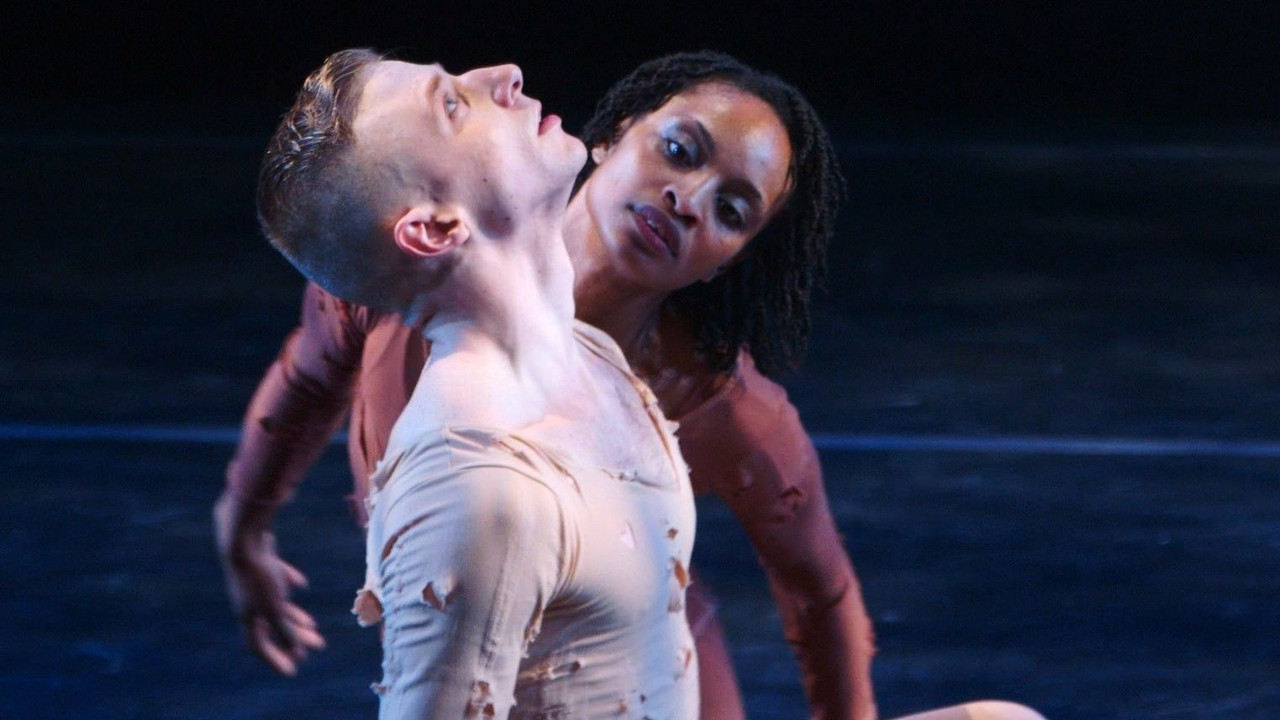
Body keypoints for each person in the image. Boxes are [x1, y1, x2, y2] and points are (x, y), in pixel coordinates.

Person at [216, 50, 1045, 720]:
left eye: (732, 210)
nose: (686, 199)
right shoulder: (411, 312)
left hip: (637, 649)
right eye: (679, 151)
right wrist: (244, 526)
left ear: (730, 258)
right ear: (613, 136)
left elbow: (819, 589)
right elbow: (307, 383)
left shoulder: (694, 395)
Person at [237, 48, 701, 717]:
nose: (504, 75)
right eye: (453, 105)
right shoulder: (474, 487)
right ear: (434, 228)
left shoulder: (592, 356)